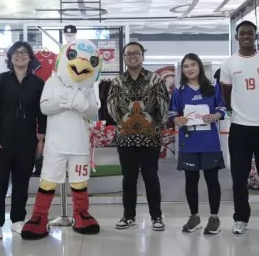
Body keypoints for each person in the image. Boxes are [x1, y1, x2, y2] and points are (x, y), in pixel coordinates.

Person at [21, 39, 102, 240]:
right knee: (48, 181)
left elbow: (92, 112)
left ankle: (81, 214)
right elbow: (44, 107)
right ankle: (39, 217)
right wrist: (64, 103)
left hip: (80, 144)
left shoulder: (90, 88)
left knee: (80, 182)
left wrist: (82, 106)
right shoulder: (52, 81)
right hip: (56, 144)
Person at [220, 20, 259, 236]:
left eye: (250, 33)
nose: (246, 36)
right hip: (239, 128)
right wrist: (236, 111)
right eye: (242, 33)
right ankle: (241, 218)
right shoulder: (229, 64)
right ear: (237, 37)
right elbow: (226, 94)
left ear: (256, 36)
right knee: (239, 176)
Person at [0, 41, 46, 240]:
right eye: (16, 53)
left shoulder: (38, 83)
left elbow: (41, 114)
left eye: (24, 53)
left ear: (30, 57)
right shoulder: (1, 80)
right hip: (1, 141)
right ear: (10, 57)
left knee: (21, 183)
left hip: (26, 141)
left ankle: (18, 220)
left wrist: (41, 138)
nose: (20, 56)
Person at [107, 41, 170, 231]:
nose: (132, 56)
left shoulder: (155, 80)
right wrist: (125, 123)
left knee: (151, 176)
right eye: (128, 54)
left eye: (136, 53)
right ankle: (129, 216)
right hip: (125, 138)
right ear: (124, 58)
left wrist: (152, 125)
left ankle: (156, 216)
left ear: (143, 56)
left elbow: (164, 107)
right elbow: (112, 107)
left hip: (150, 137)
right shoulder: (117, 82)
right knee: (128, 178)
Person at [169, 53, 226, 234]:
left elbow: (222, 108)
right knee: (190, 181)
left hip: (209, 142)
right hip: (189, 142)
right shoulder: (179, 90)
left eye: (193, 65)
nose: (190, 69)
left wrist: (215, 116)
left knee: (212, 180)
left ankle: (214, 218)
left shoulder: (213, 86)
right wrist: (178, 120)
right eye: (186, 66)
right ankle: (194, 217)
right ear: (182, 70)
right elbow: (172, 114)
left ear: (199, 66)